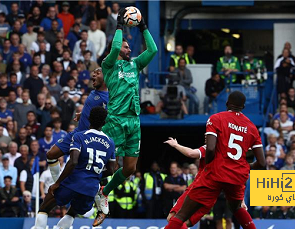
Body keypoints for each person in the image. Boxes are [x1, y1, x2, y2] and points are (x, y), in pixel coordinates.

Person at [165, 91, 265, 229]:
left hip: (213, 177)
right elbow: (262, 163)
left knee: (179, 216)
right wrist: (244, 166)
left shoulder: (216, 119)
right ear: (243, 107)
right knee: (237, 208)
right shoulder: (252, 128)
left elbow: (209, 149)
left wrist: (210, 165)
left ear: (226, 104)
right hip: (237, 177)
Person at [95, 9, 157, 225]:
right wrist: (120, 26)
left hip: (134, 120)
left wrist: (143, 28)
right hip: (115, 119)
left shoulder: (135, 65)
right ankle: (89, 191)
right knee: (106, 164)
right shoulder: (109, 66)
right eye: (125, 45)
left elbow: (153, 49)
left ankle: (104, 193)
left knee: (130, 168)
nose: (129, 47)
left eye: (129, 45)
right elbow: (114, 47)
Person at [34, 106, 116, 229]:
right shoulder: (110, 142)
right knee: (72, 213)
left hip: (74, 181)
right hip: (90, 188)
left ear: (88, 119)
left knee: (45, 208)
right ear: (104, 123)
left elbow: (73, 161)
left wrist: (57, 183)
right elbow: (111, 170)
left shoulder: (79, 136)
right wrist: (95, 174)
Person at [46, 68, 108, 182]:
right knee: (51, 154)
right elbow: (92, 107)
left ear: (107, 76)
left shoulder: (107, 98)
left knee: (78, 170)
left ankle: (99, 193)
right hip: (76, 133)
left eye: (98, 73)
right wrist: (82, 114)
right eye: (93, 72)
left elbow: (106, 119)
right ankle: (56, 182)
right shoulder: (94, 91)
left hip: (88, 140)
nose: (93, 74)